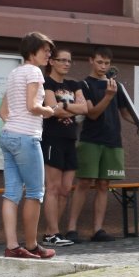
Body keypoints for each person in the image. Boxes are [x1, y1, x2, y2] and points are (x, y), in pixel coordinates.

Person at [65, 46, 139, 242]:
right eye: (99, 62)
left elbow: (125, 112)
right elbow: (92, 113)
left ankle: (98, 230)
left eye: (106, 63)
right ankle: (71, 229)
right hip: (90, 140)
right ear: (91, 61)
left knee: (104, 184)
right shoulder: (84, 85)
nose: (103, 66)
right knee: (84, 182)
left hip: (113, 140)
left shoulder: (116, 85)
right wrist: (108, 96)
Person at [0, 32, 57, 259]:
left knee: (11, 193)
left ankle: (12, 246)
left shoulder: (15, 73)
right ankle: (31, 246)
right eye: (45, 50)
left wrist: (16, 123)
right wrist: (49, 111)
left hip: (8, 135)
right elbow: (33, 106)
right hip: (26, 137)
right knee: (35, 192)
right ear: (32, 51)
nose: (49, 55)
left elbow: (3, 112)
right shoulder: (34, 72)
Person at [39, 47, 88, 247]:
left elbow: (85, 108)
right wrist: (68, 109)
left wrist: (64, 107)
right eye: (62, 60)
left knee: (65, 189)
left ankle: (52, 232)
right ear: (52, 61)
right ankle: (53, 233)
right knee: (53, 187)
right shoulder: (46, 83)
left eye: (69, 61)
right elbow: (53, 110)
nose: (67, 64)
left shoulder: (74, 84)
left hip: (70, 140)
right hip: (52, 139)